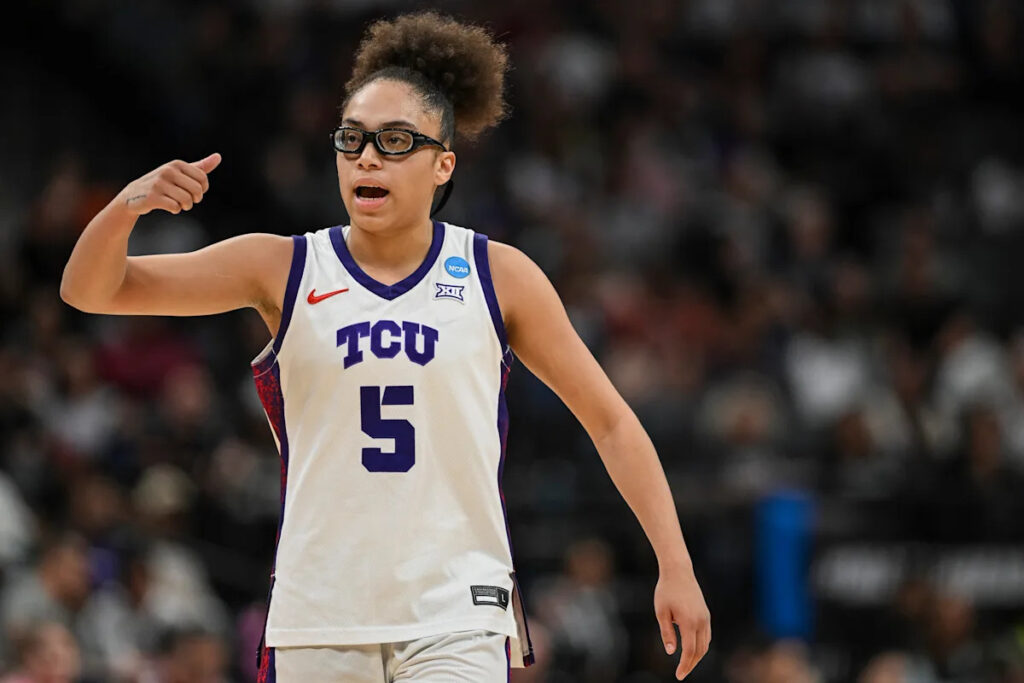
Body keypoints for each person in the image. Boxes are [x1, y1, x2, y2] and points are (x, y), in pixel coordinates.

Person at [59, 10, 710, 682]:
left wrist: (676, 563)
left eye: (396, 140)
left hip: (457, 605)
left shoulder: (499, 274)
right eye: (353, 139)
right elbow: (91, 290)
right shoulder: (280, 266)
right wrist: (125, 208)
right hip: (320, 606)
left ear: (442, 164)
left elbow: (611, 420)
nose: (368, 156)